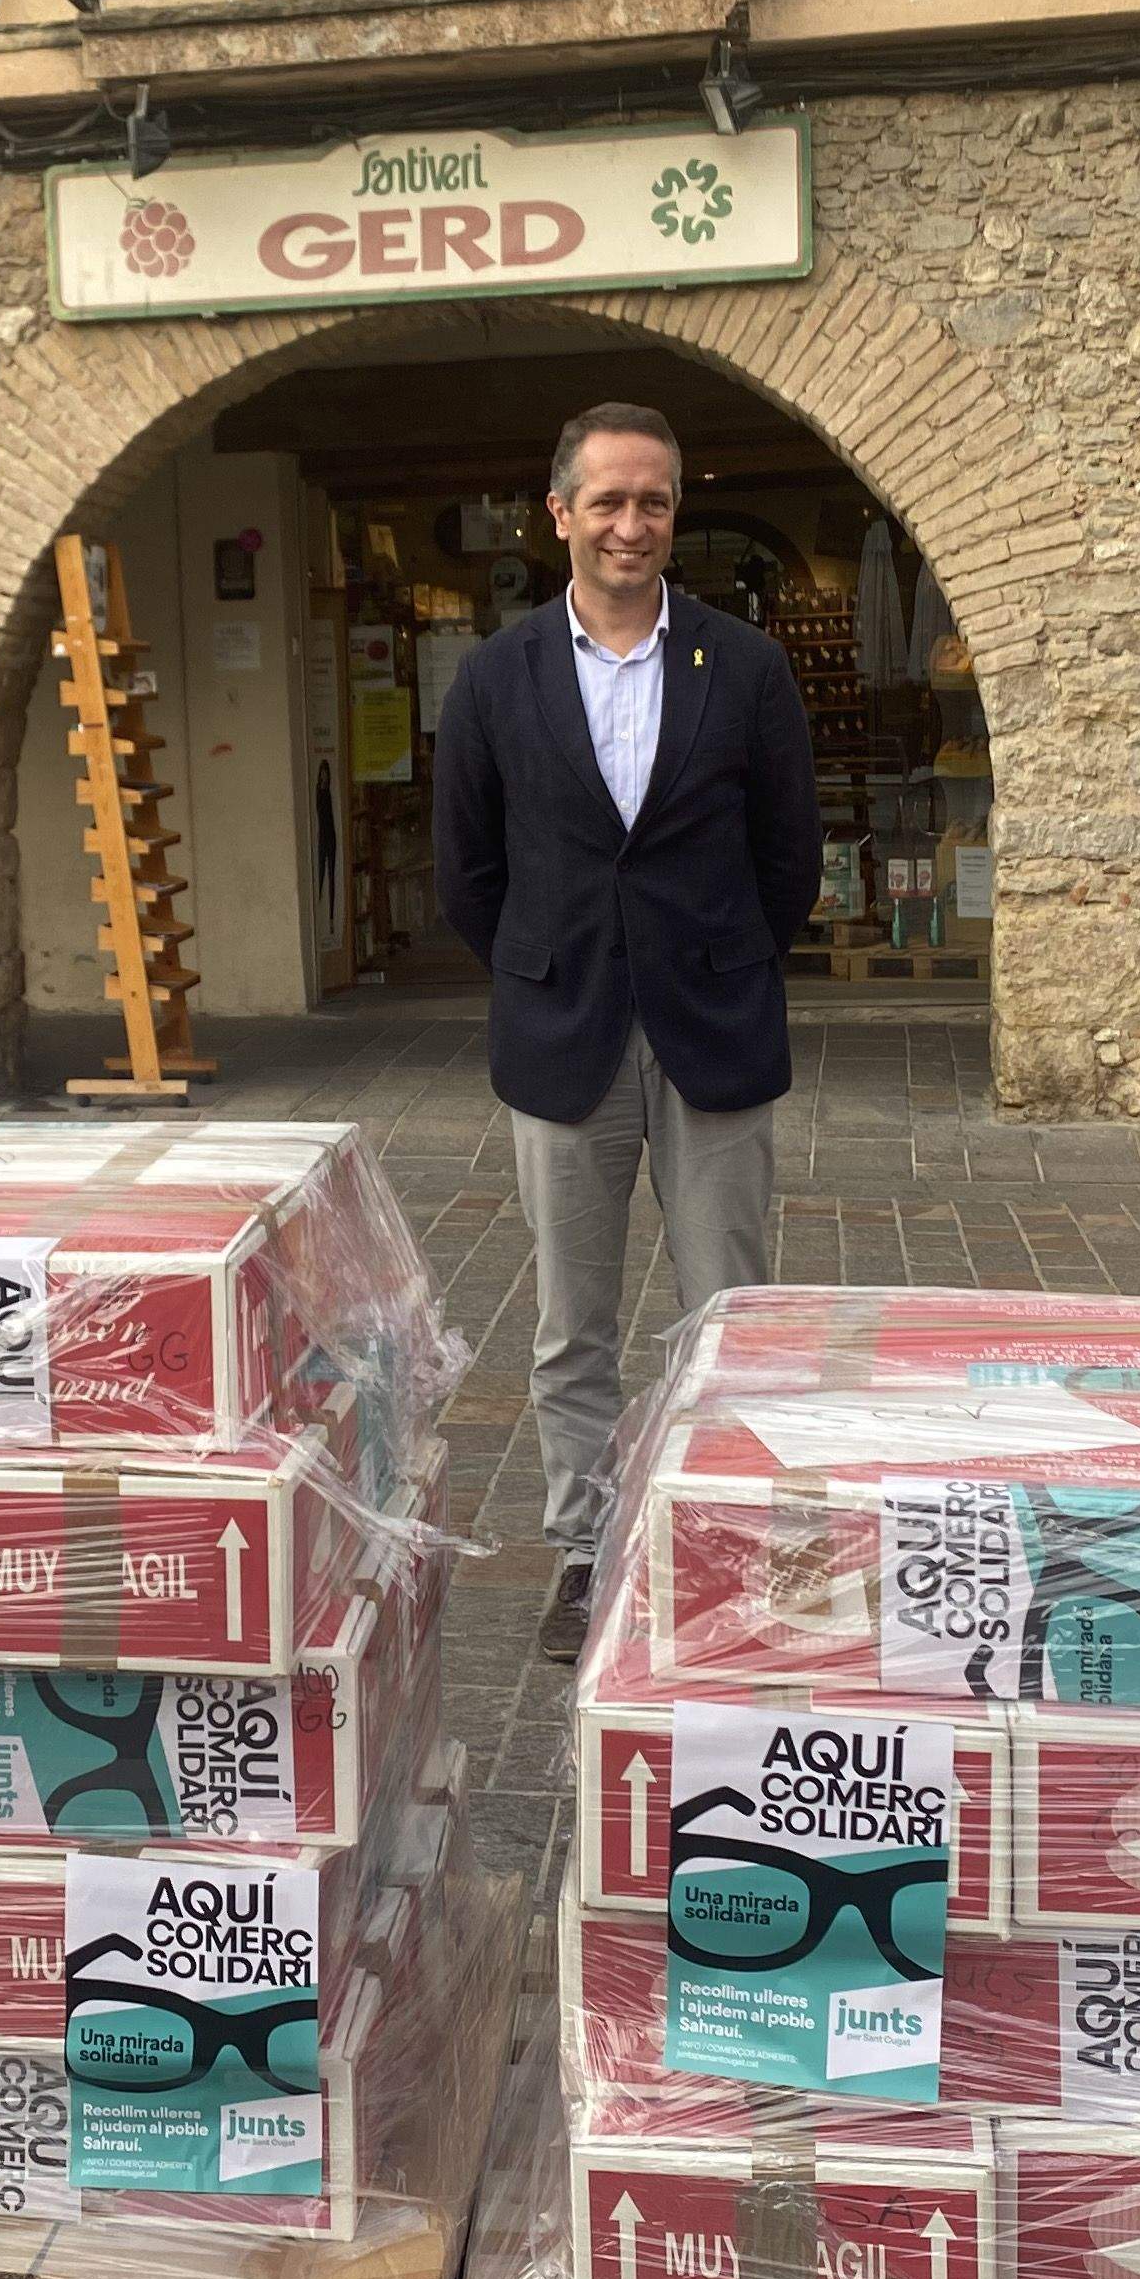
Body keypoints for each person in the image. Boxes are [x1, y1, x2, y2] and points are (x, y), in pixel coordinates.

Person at [434, 401, 820, 1660]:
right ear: (560, 514)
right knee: (570, 1325)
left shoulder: (745, 667)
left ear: (674, 515)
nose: (630, 524)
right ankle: (589, 1553)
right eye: (606, 501)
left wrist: (707, 955)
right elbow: (468, 873)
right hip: (564, 1032)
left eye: (652, 501)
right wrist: (550, 969)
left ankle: (728, 1548)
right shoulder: (498, 676)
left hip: (711, 1021)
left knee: (732, 1313)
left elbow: (789, 861)